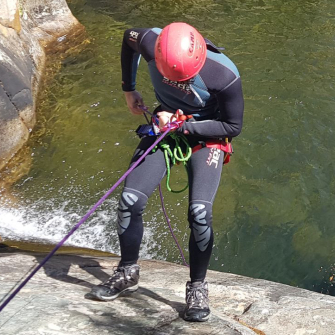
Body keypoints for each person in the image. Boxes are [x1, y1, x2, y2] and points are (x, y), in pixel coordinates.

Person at [89, 22, 244, 323]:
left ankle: (197, 287)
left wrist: (182, 124)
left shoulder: (224, 75)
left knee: (200, 212)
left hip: (205, 134)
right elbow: (127, 38)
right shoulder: (149, 41)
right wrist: (128, 88)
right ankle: (127, 271)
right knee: (130, 200)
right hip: (165, 125)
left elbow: (232, 127)